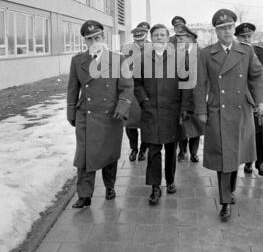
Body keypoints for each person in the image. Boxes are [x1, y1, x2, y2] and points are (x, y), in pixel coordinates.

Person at [194, 9, 263, 222]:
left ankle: (230, 190)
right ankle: (225, 201)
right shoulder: (206, 54)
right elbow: (200, 84)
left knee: (234, 156)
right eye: (222, 28)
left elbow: (257, 76)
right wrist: (201, 110)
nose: (227, 31)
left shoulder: (246, 51)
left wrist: (261, 101)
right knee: (222, 156)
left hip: (241, 110)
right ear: (216, 31)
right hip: (218, 110)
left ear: (233, 28)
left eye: (229, 27)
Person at [67, 20, 133, 208]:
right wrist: (71, 112)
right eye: (90, 39)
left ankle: (110, 187)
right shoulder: (77, 61)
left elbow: (127, 88)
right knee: (84, 156)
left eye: (97, 37)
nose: (94, 41)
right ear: (85, 42)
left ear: (103, 37)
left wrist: (122, 108)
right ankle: (85, 195)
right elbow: (72, 88)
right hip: (86, 115)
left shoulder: (118, 59)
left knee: (109, 154)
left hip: (110, 115)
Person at [134, 23, 192, 205]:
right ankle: (155, 187)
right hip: (151, 111)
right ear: (151, 39)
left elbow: (186, 83)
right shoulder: (142, 58)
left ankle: (170, 180)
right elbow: (137, 83)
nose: (159, 38)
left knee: (170, 149)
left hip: (172, 111)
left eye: (162, 35)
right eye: (156, 35)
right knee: (153, 149)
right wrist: (144, 100)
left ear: (168, 38)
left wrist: (184, 108)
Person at [235, 23, 263, 176]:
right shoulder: (234, 53)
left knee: (259, 133)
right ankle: (247, 161)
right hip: (242, 100)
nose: (246, 39)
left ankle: (260, 163)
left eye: (249, 36)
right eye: (242, 36)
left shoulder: (260, 52)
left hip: (259, 101)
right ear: (237, 37)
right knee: (245, 132)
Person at [175, 24, 204, 163]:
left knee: (195, 126)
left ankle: (194, 152)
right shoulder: (176, 54)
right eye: (178, 38)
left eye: (182, 38)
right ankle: (182, 151)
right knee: (181, 125)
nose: (179, 41)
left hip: (196, 96)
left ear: (191, 38)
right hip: (180, 96)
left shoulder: (202, 54)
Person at [122, 26, 149, 161]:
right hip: (131, 89)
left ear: (146, 36)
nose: (139, 43)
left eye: (142, 40)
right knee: (130, 122)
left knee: (147, 122)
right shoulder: (126, 49)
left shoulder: (154, 48)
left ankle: (144, 149)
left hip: (148, 90)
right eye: (137, 40)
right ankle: (133, 148)